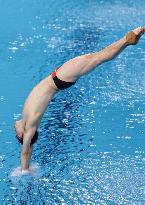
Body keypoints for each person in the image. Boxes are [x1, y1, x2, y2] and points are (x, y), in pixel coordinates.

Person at [14, 27, 145, 173]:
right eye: (17, 135)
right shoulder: (30, 124)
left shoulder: (23, 119)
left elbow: (19, 128)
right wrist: (24, 169)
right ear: (22, 135)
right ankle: (128, 39)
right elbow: (26, 151)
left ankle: (128, 41)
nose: (15, 130)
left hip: (59, 78)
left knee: (98, 57)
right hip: (60, 78)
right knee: (99, 57)